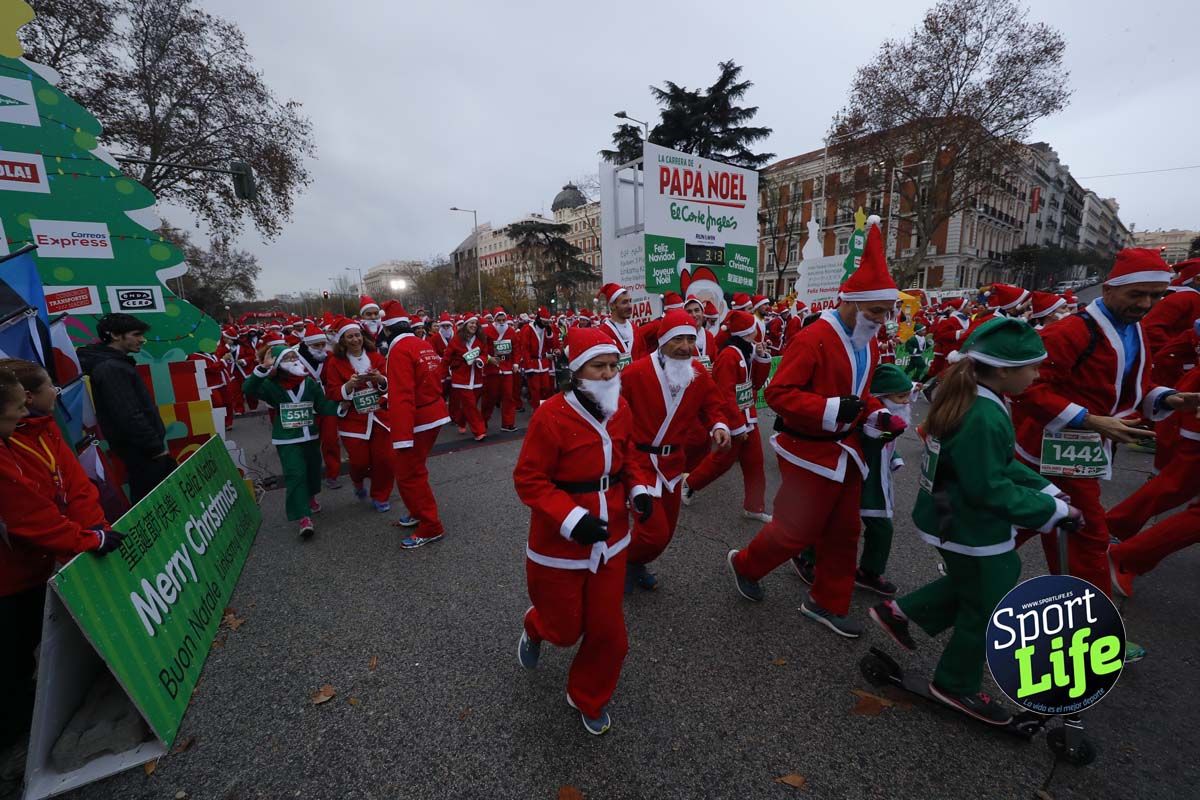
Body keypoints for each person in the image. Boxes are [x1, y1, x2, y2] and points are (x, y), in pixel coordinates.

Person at [869, 318, 1078, 726]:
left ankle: (902, 611)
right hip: (966, 519)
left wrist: (1046, 490)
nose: (1037, 375)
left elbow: (996, 465)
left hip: (952, 511)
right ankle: (955, 683)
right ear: (1002, 369)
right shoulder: (984, 412)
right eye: (1032, 367)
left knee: (989, 578)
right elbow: (989, 486)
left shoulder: (980, 398)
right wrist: (1049, 511)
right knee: (988, 603)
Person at [725, 225, 906, 638]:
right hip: (808, 450)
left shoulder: (869, 342)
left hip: (848, 451)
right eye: (875, 311)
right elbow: (778, 394)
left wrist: (878, 415)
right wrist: (830, 408)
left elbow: (859, 395)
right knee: (796, 530)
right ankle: (744, 564)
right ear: (852, 303)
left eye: (885, 312)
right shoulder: (812, 339)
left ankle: (827, 602)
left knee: (846, 532)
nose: (882, 321)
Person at [1011, 251, 1199, 602]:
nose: (1147, 304)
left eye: (1157, 295)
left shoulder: (1135, 330)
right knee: (1088, 534)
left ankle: (931, 597)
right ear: (1110, 289)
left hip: (1081, 448)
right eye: (1137, 294)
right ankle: (1094, 627)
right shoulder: (1069, 331)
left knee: (1027, 523)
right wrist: (1090, 420)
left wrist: (1168, 398)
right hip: (1053, 447)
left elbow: (1130, 385)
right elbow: (1027, 388)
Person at [512, 326, 654, 735]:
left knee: (611, 634)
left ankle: (587, 694)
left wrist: (639, 489)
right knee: (564, 629)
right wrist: (572, 518)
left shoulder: (621, 409)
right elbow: (529, 479)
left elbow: (629, 458)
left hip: (612, 536)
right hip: (559, 542)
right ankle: (536, 625)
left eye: (614, 365)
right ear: (576, 371)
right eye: (598, 367)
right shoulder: (550, 414)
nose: (609, 374)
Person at [0, 364, 123, 760]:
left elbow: (74, 484)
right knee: (11, 665)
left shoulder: (43, 427)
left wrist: (96, 530)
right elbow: (28, 515)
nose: (58, 390)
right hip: (9, 576)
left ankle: (32, 726)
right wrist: (86, 540)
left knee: (28, 651)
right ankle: (16, 752)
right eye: (17, 406)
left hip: (31, 566)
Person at [620, 310, 731, 590]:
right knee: (653, 533)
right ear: (663, 341)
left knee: (665, 532)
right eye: (677, 339)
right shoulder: (635, 373)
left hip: (672, 463)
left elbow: (712, 405)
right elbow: (614, 414)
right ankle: (619, 564)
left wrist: (718, 424)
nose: (685, 347)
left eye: (690, 339)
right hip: (640, 462)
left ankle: (632, 564)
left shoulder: (698, 373)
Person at [792, 363, 913, 597]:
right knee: (830, 522)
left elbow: (887, 447)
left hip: (877, 484)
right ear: (881, 398)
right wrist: (884, 435)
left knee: (882, 528)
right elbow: (865, 445)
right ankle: (806, 557)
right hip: (855, 478)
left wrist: (893, 457)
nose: (906, 402)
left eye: (908, 396)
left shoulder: (892, 418)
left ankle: (869, 571)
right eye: (900, 397)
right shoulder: (868, 420)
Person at [244, 345, 347, 539]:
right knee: (295, 473)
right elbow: (249, 389)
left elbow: (322, 405)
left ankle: (310, 497)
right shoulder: (270, 385)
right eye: (287, 357)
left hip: (310, 435)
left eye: (294, 356)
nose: (293, 360)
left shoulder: (309, 383)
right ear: (278, 363)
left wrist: (341, 407)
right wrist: (263, 369)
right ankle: (303, 517)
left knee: (312, 470)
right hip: (287, 438)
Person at [681, 310, 772, 522]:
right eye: (753, 331)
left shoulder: (746, 352)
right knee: (721, 461)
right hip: (736, 419)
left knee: (755, 463)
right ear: (747, 333)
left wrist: (761, 357)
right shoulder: (729, 356)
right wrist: (737, 427)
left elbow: (756, 383)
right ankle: (689, 484)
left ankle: (754, 506)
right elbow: (725, 394)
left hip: (748, 417)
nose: (756, 335)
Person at [78, 313, 174, 503]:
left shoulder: (116, 363)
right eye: (136, 334)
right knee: (151, 501)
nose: (142, 340)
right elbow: (129, 414)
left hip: (141, 449)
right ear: (115, 335)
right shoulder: (110, 367)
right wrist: (154, 447)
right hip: (141, 451)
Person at [387, 304, 451, 548]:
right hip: (432, 413)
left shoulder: (400, 350)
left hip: (418, 420)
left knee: (409, 474)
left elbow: (403, 394)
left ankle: (431, 525)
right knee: (412, 470)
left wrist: (402, 436)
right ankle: (417, 512)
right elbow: (427, 381)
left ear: (386, 331)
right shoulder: (420, 344)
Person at [323, 317, 399, 514]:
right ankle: (357, 480)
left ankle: (380, 495)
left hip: (379, 417)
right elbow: (331, 391)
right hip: (353, 420)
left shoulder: (376, 356)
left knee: (385, 460)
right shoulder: (334, 362)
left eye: (357, 335)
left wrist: (380, 379)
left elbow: (390, 381)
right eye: (350, 337)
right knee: (359, 461)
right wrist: (348, 386)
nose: (355, 340)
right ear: (342, 340)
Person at [296, 323, 343, 489]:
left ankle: (333, 473)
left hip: (327, 404)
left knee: (331, 440)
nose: (321, 348)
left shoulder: (329, 356)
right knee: (309, 444)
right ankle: (310, 476)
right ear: (307, 344)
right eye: (317, 345)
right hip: (306, 406)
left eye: (323, 344)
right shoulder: (295, 357)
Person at [443, 313, 490, 441]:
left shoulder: (481, 339)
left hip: (477, 378)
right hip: (461, 378)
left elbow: (485, 354)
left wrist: (481, 359)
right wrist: (441, 374)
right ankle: (479, 431)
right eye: (471, 323)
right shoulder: (456, 339)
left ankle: (462, 421)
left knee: (471, 404)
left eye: (475, 324)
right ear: (465, 325)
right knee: (471, 405)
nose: (474, 325)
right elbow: (447, 357)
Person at [481, 308, 520, 432]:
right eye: (499, 320)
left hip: (507, 368)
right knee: (490, 398)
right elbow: (482, 348)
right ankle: (483, 420)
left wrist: (516, 363)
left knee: (508, 396)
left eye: (504, 320)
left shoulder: (511, 331)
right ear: (495, 319)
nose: (502, 322)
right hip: (492, 369)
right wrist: (488, 358)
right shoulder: (487, 331)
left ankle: (508, 423)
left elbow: (516, 348)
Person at [518, 307, 560, 408]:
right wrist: (528, 367)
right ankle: (537, 410)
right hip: (533, 363)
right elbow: (525, 349)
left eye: (547, 322)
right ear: (538, 319)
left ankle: (543, 408)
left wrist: (550, 334)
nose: (545, 324)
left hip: (543, 363)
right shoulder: (527, 329)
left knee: (546, 388)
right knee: (535, 390)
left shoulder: (547, 329)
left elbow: (551, 345)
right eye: (544, 322)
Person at [596, 283, 639, 369]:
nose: (630, 306)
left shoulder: (635, 328)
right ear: (612, 306)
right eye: (624, 302)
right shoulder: (603, 332)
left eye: (630, 301)